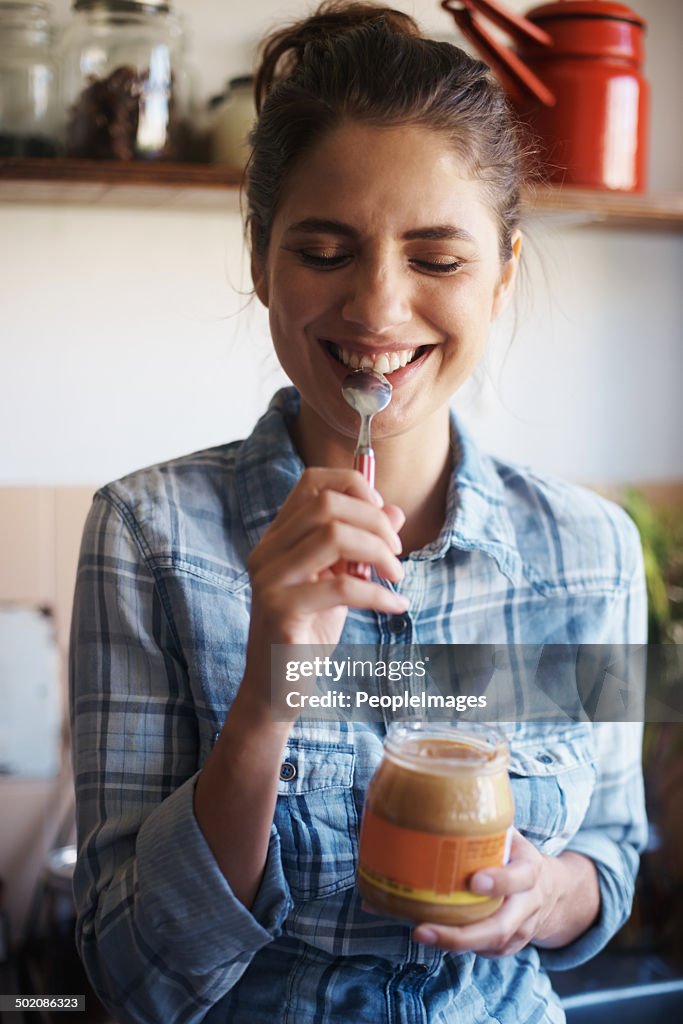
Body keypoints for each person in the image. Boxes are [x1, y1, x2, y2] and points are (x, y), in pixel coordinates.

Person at [69, 3, 647, 1022]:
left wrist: (546, 896)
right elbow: (129, 977)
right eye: (325, 250)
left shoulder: (586, 550)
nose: (377, 309)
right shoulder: (147, 535)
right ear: (260, 260)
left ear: (503, 273)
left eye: (436, 258)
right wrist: (266, 690)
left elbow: (608, 848)